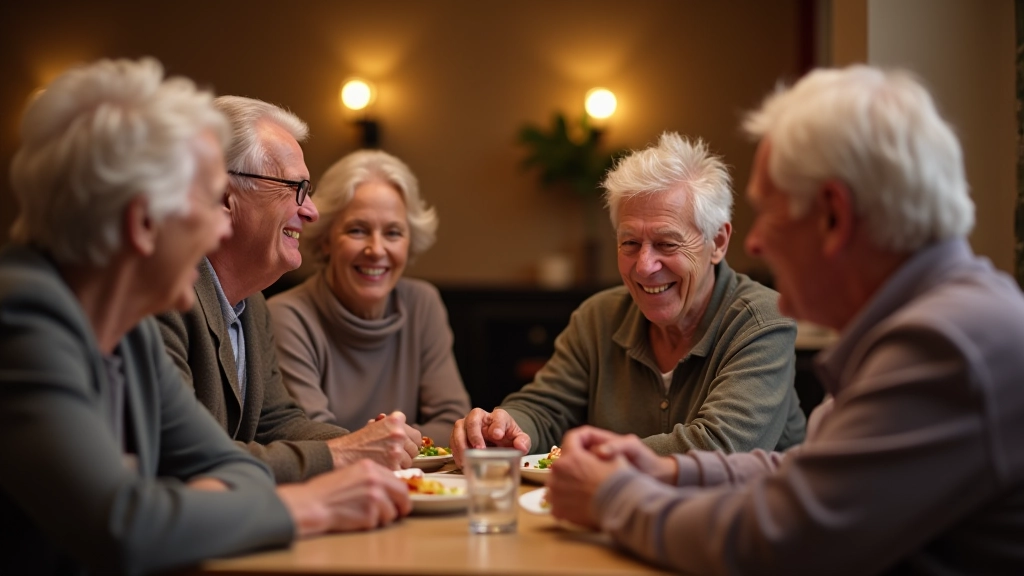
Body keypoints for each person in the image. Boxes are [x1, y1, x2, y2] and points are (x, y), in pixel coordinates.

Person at [545, 65, 1024, 574]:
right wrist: (665, 468)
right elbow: (812, 472)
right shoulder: (940, 318)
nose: (755, 244)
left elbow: (784, 539)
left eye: (771, 213)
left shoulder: (946, 344)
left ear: (833, 217)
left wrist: (613, 500)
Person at [0, 57, 410, 576]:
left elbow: (225, 465)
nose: (219, 233)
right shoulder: (21, 317)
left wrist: (187, 500)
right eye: (206, 203)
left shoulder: (127, 329)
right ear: (144, 223)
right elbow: (126, 526)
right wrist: (310, 505)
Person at [451, 132, 806, 465]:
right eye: (630, 243)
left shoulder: (761, 320)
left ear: (718, 242)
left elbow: (721, 446)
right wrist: (505, 429)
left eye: (667, 243)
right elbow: (545, 409)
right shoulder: (599, 316)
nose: (645, 266)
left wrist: (591, 457)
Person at [157, 96, 421, 483]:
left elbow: (276, 421)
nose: (312, 211)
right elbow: (182, 456)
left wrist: (369, 444)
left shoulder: (252, 302)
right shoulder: (161, 295)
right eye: (295, 188)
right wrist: (343, 454)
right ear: (224, 196)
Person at [267, 150, 470, 442]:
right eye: (358, 230)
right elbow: (313, 440)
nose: (376, 250)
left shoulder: (423, 304)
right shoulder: (288, 316)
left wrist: (383, 440)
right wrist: (398, 441)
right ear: (326, 240)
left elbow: (454, 424)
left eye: (393, 233)